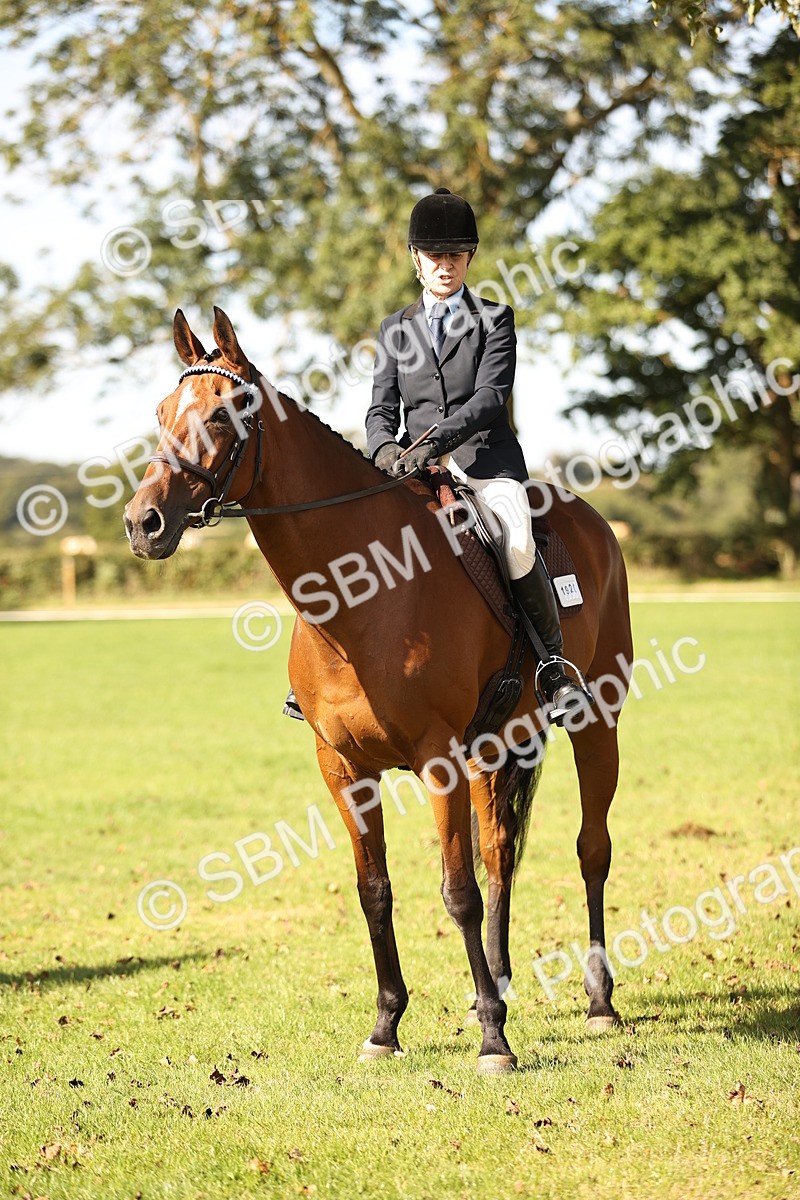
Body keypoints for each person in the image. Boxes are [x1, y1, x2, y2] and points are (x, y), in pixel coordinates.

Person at [364, 186, 590, 724]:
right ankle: (330, 672)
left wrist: (430, 447)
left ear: (469, 259)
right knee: (353, 537)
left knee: (515, 539)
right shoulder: (395, 329)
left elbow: (490, 399)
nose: (446, 265)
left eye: (456, 256)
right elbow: (379, 410)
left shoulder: (494, 319)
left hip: (485, 464)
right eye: (436, 256)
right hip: (412, 469)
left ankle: (553, 668)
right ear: (417, 261)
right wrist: (386, 450)